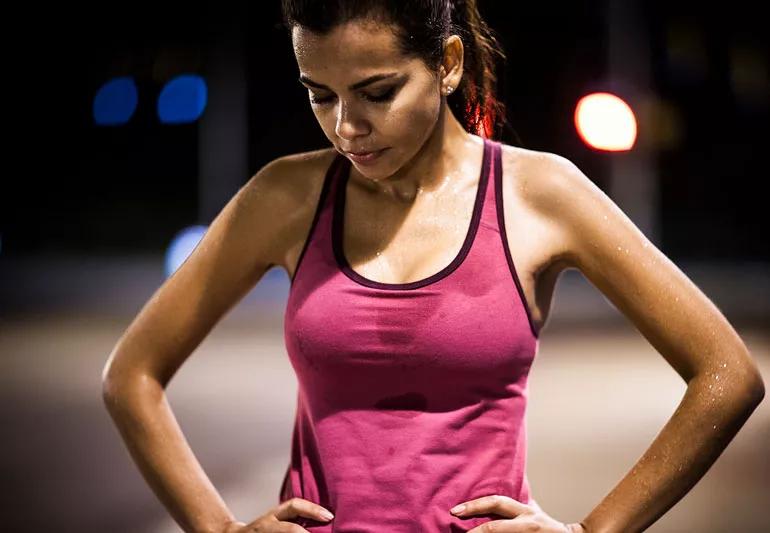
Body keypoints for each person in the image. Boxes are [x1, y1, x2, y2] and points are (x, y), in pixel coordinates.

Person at [101, 1, 766, 532]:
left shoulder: (540, 195)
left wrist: (592, 530)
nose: (345, 127)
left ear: (448, 63)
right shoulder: (287, 198)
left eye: (377, 92)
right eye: (320, 95)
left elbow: (726, 374)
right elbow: (131, 374)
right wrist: (215, 526)